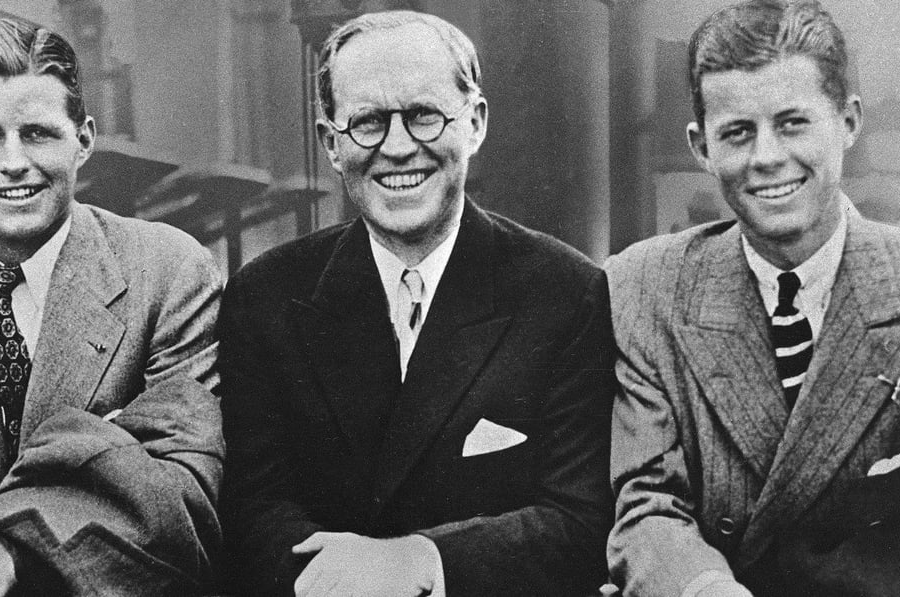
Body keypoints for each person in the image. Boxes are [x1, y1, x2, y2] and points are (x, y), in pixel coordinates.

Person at [218, 9, 616, 597]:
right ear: (330, 143)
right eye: (368, 123)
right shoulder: (267, 296)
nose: (398, 148)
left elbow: (581, 519)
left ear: (475, 123)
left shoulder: (567, 292)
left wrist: (419, 562)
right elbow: (252, 505)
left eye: (425, 116)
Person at [0, 18, 224, 596]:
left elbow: (183, 494)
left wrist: (8, 558)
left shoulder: (167, 271)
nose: (15, 161)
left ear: (83, 139)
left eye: (38, 133)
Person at [607, 1, 900, 595]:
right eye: (738, 132)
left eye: (793, 123)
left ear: (848, 121)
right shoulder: (645, 286)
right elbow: (647, 503)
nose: (767, 157)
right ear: (701, 147)